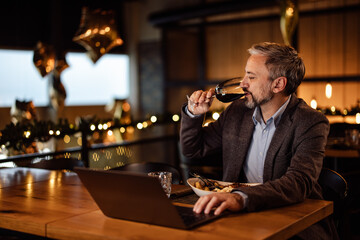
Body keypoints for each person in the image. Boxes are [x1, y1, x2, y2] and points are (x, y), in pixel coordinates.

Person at [180, 42, 338, 239]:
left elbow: (299, 182)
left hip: (294, 222)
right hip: (237, 219)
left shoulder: (310, 121)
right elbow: (193, 149)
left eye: (251, 77)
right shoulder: (237, 111)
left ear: (278, 84)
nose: (242, 83)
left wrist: (240, 198)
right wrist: (194, 115)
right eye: (245, 74)